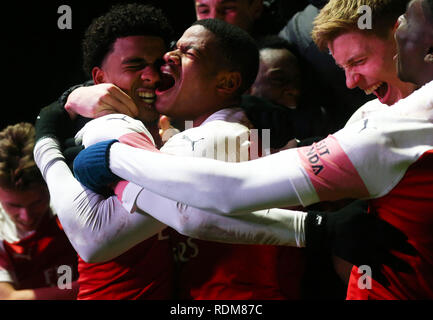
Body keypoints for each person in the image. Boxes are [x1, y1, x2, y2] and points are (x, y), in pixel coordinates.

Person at [68, 0, 433, 300]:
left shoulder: (219, 137)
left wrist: (81, 144)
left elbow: (95, 238)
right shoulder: (372, 114)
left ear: (405, 36)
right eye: (342, 68)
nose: (351, 81)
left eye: (357, 62)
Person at [41, 3, 176, 300]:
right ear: (100, 79)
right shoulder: (83, 149)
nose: (152, 77)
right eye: (134, 65)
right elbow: (94, 246)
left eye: (160, 64)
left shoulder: (181, 134)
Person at [0, 122, 78, 300]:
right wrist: (93, 284)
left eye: (37, 202)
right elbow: (6, 298)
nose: (26, 217)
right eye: (14, 206)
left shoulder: (75, 200)